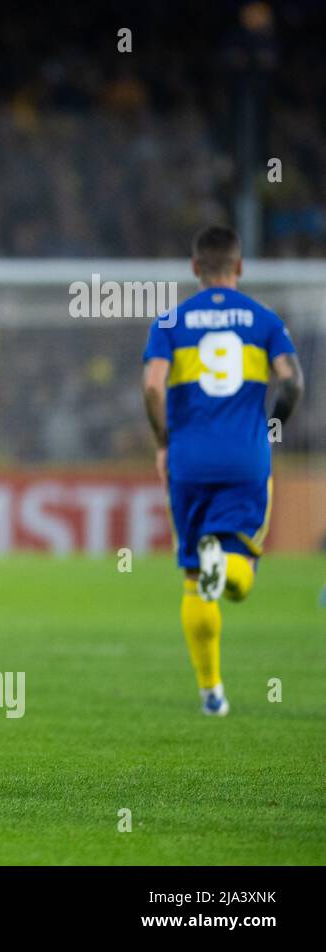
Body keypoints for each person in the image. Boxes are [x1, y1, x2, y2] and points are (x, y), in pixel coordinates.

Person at [142, 226, 303, 716]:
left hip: (188, 462)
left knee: (194, 580)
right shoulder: (264, 320)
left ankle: (211, 693)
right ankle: (227, 566)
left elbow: (152, 387)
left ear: (194, 268)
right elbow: (293, 382)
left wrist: (164, 442)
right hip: (245, 460)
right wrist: (271, 426)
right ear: (239, 267)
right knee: (242, 568)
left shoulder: (169, 321)